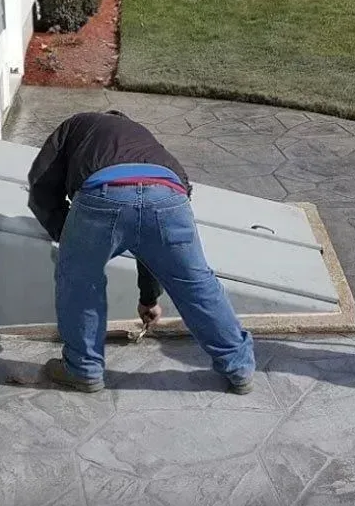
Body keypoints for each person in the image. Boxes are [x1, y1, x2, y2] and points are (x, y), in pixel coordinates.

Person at [26, 110, 255, 394]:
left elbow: (41, 186)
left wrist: (69, 237)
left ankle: (83, 370)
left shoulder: (75, 125)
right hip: (168, 193)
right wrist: (149, 298)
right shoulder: (144, 139)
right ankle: (239, 367)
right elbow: (150, 239)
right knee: (196, 283)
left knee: (80, 282)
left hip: (103, 192)